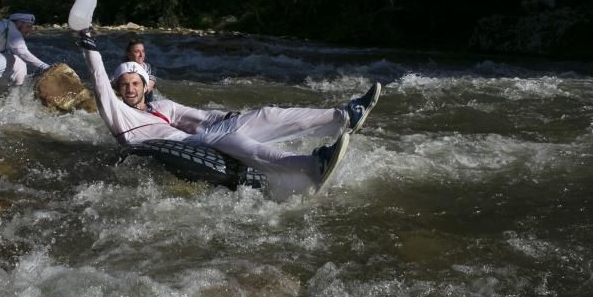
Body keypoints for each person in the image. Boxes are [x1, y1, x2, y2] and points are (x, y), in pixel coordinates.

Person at [76, 28, 381, 198]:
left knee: (265, 114)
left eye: (135, 83)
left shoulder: (163, 106)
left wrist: (231, 116)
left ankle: (344, 116)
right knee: (232, 140)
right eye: (125, 85)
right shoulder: (119, 115)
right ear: (119, 88)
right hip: (179, 147)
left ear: (145, 84)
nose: (130, 89)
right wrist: (89, 44)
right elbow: (101, 85)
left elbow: (201, 118)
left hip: (199, 138)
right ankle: (311, 164)